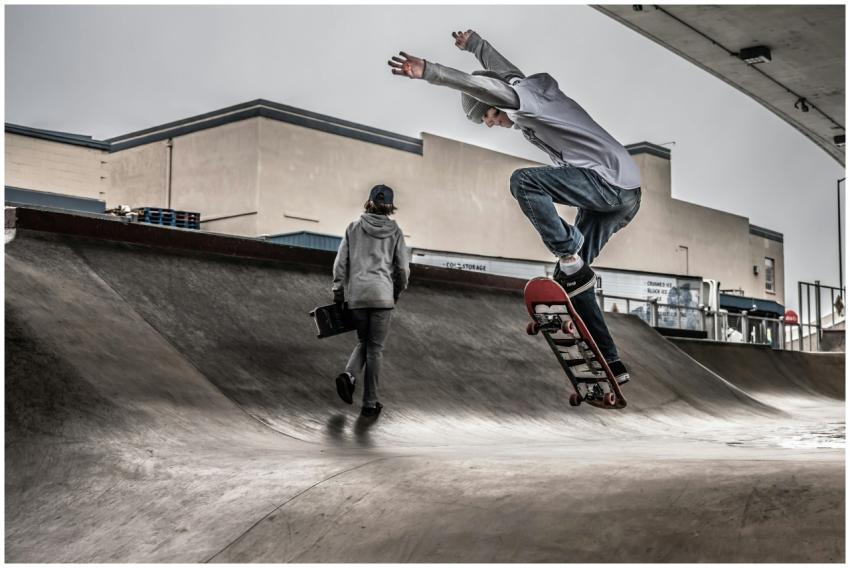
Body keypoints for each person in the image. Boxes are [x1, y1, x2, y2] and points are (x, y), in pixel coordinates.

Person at [387, 29, 641, 384]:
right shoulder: (528, 90)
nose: (492, 124)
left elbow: (485, 87)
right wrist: (475, 46)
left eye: (488, 118)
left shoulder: (523, 101)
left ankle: (568, 252)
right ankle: (611, 362)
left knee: (524, 181)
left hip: (607, 184)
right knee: (571, 280)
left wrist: (429, 71)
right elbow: (501, 70)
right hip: (622, 196)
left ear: (495, 106)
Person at [332, 184, 410, 416]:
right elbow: (403, 270)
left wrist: (338, 292)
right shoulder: (395, 231)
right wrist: (395, 292)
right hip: (382, 296)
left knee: (363, 342)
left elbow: (340, 264)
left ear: (369, 202)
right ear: (390, 207)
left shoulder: (353, 228)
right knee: (375, 348)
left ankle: (349, 375)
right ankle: (369, 403)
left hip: (357, 295)